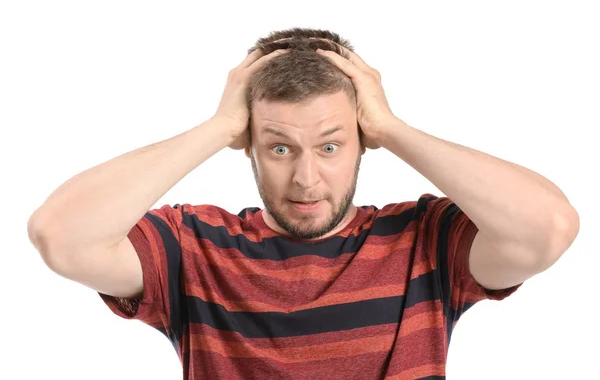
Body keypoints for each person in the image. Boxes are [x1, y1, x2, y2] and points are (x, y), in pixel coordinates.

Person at [27, 27, 579, 379]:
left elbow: (548, 228)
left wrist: (392, 126)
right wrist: (218, 126)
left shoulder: (423, 241)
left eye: (332, 145)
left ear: (364, 139)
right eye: (280, 147)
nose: (306, 178)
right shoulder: (192, 250)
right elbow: (61, 236)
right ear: (249, 145)